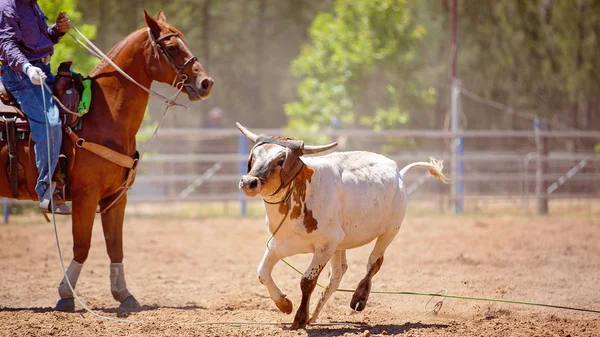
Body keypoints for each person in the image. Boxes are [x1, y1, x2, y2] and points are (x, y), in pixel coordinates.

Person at [0, 0, 71, 213]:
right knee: (49, 121)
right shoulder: (7, 6)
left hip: (42, 71)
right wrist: (27, 68)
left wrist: (57, 31)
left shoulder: (32, 4)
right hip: (19, 76)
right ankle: (46, 190)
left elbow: (39, 40)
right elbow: (6, 44)